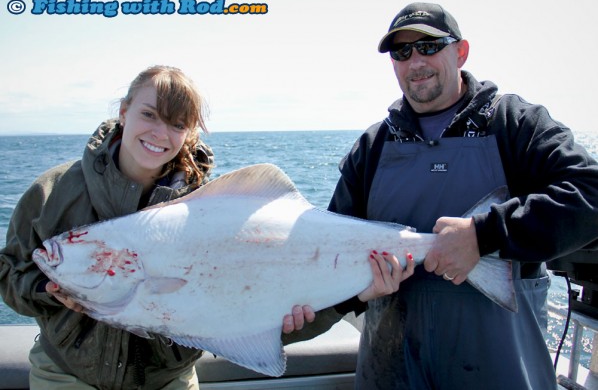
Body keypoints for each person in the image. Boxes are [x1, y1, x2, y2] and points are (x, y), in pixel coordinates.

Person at [0, 65, 413, 389]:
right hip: (66, 376)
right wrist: (45, 290)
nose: (160, 133)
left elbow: (241, 315)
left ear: (190, 132)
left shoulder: (213, 206)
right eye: (148, 114)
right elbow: (9, 273)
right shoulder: (52, 191)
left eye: (177, 124)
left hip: (168, 381)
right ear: (123, 111)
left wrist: (351, 297)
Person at [326, 2, 598, 390]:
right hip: (391, 371)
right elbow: (335, 247)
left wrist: (484, 236)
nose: (415, 61)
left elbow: (590, 193)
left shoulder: (516, 125)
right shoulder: (372, 147)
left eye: (429, 46)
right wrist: (331, 299)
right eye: (401, 52)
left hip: (499, 369)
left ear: (461, 51)